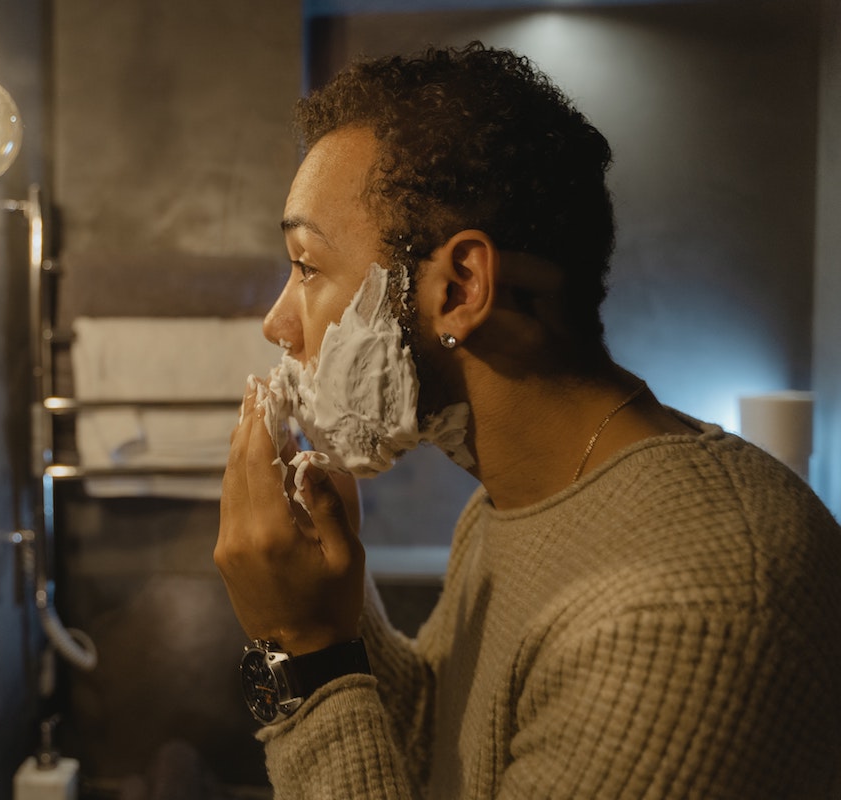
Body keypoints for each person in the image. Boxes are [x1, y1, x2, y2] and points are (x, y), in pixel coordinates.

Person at [214, 42, 841, 799]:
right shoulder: (514, 500)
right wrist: (330, 608)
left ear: (461, 288)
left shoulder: (688, 611)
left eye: (308, 266)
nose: (278, 324)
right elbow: (441, 758)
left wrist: (303, 653)